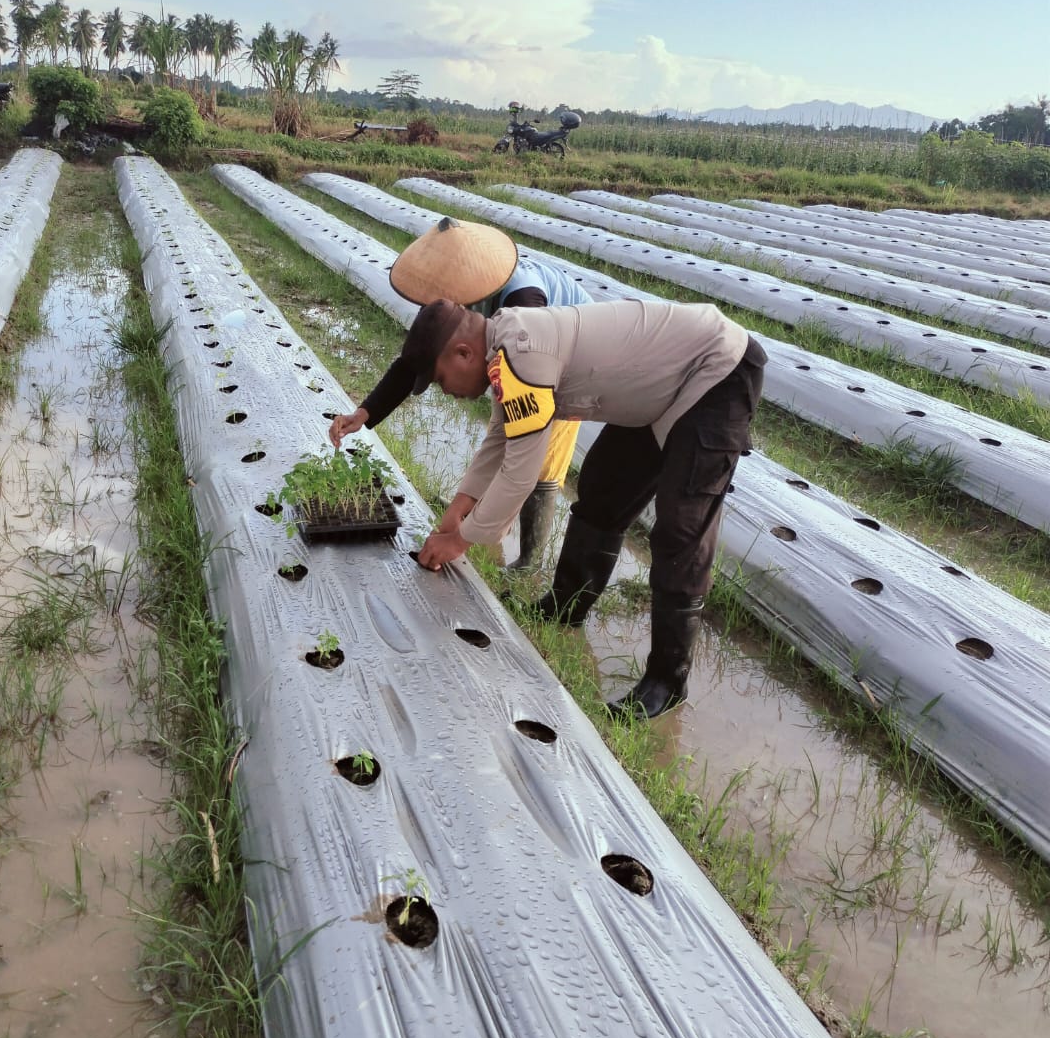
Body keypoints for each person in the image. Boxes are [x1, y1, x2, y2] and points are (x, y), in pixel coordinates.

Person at [407, 294, 767, 719]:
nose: (447, 391)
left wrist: (462, 540)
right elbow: (501, 435)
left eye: (442, 379)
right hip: (660, 391)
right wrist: (459, 508)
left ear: (463, 352)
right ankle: (565, 606)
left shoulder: (521, 354)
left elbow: (522, 472)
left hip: (715, 373)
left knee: (681, 529)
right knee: (603, 486)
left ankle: (668, 682)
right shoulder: (504, 346)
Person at [328, 215, 594, 571]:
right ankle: (475, 512)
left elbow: (528, 386)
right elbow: (416, 360)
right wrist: (364, 413)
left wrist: (460, 538)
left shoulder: (524, 297)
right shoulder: (458, 297)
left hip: (571, 369)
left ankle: (528, 561)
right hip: (528, 361)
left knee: (538, 461)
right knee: (501, 437)